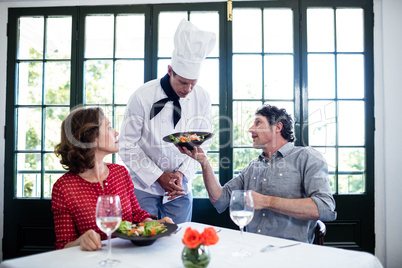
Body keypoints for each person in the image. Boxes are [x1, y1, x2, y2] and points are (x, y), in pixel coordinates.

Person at [177, 104, 337, 243]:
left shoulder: (306, 157)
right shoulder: (253, 166)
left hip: (290, 254)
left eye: (258, 123)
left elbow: (325, 208)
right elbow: (220, 200)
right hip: (252, 250)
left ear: (278, 127)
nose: (250, 129)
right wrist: (204, 162)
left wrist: (267, 201)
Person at [118, 19, 216, 224]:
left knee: (179, 244)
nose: (188, 90)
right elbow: (127, 144)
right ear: (170, 70)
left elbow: (203, 142)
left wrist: (181, 173)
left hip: (180, 187)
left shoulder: (203, 97)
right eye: (183, 82)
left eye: (193, 84)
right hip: (144, 185)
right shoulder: (142, 96)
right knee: (143, 242)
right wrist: (157, 176)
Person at [51, 107, 173, 251]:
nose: (116, 133)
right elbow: (63, 245)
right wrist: (81, 241)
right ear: (91, 138)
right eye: (109, 128)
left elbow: (137, 215)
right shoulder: (64, 187)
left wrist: (156, 225)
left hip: (129, 256)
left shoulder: (120, 173)